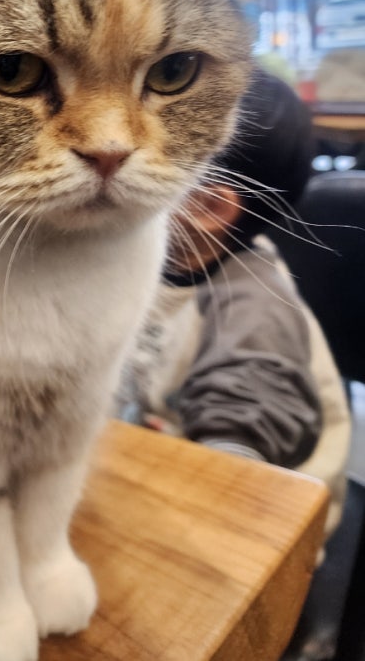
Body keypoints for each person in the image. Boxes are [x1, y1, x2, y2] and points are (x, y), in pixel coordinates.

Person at [113, 69, 351, 542]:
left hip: (259, 524)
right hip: (152, 460)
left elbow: (243, 424)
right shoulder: (149, 262)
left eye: (143, 161)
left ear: (209, 208)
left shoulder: (253, 302)